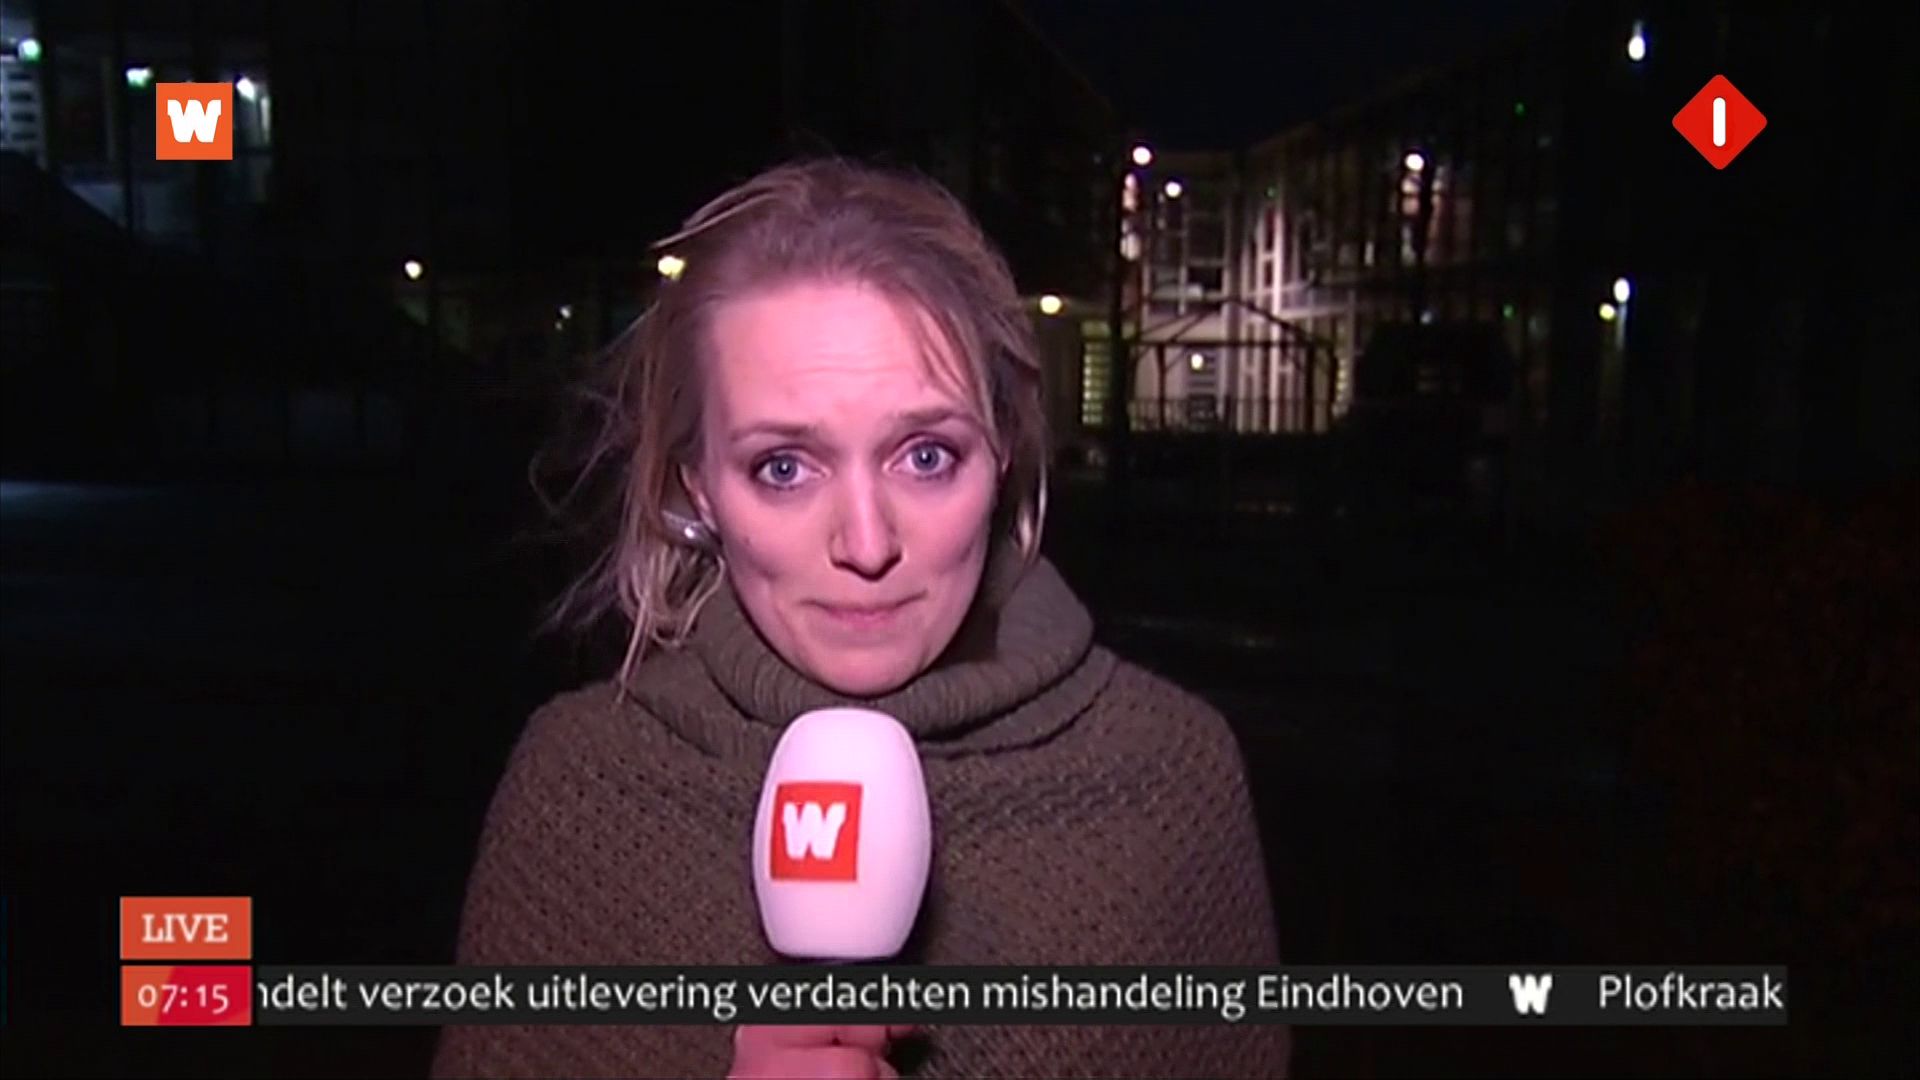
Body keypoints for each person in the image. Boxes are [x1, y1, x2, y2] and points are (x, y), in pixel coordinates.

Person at [432, 159, 1290, 1079]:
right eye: (784, 468)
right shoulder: (584, 787)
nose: (867, 543)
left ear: (1001, 456)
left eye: (925, 456)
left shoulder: (1168, 771)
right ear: (700, 489)